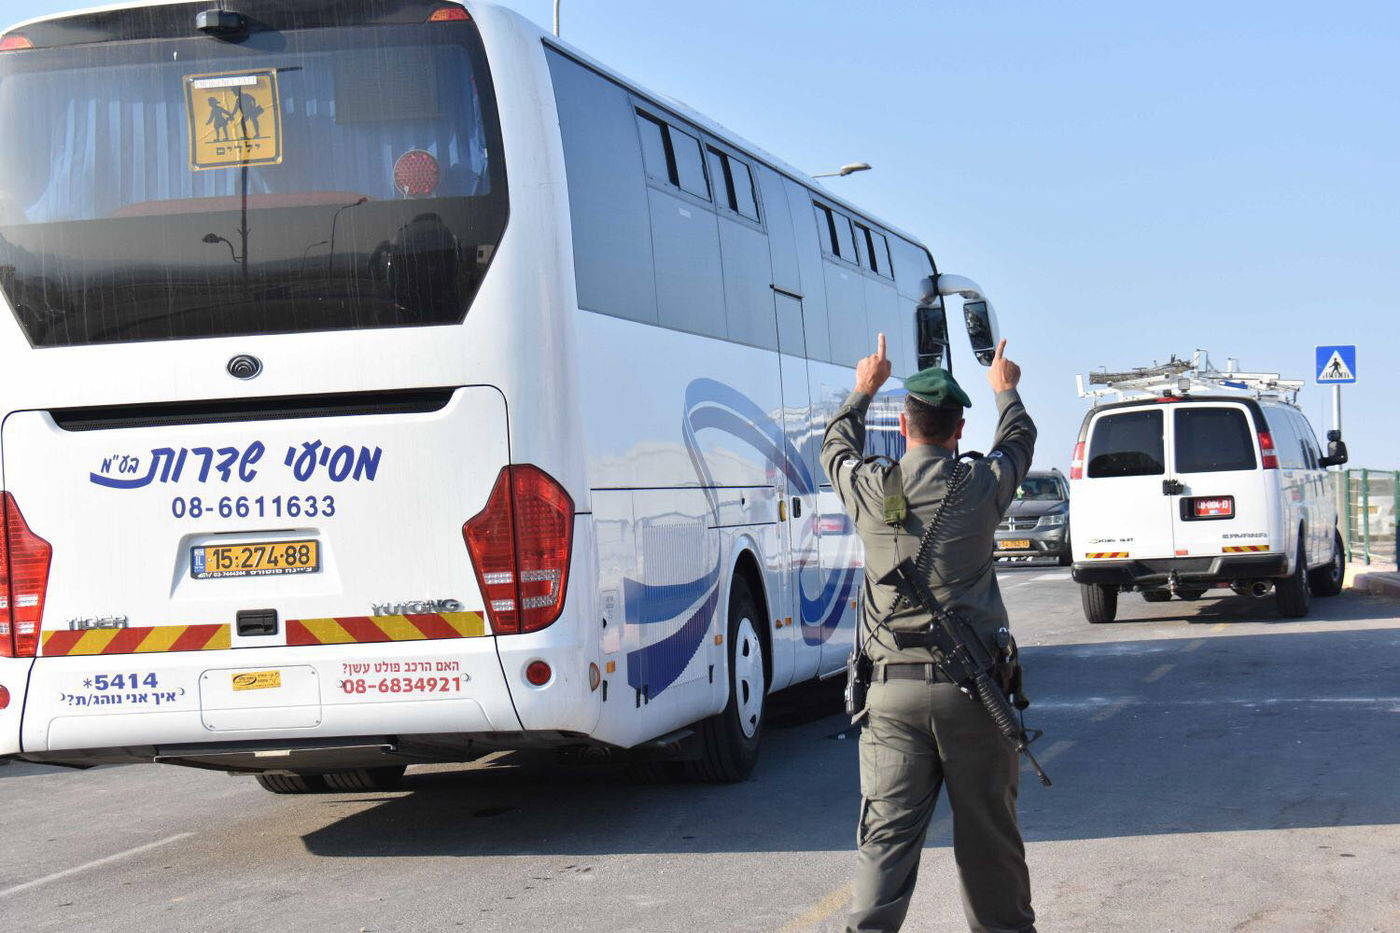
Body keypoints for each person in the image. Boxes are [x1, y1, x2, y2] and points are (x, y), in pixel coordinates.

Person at [821, 334, 1038, 933]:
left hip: (889, 697)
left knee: (885, 843)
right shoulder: (982, 487)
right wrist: (1006, 389)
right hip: (974, 697)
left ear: (902, 423)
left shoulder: (871, 488)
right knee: (989, 843)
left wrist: (864, 386)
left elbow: (834, 446)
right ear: (959, 429)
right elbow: (1020, 440)